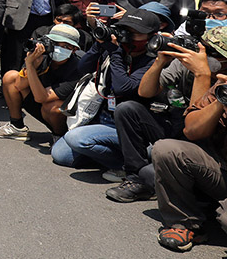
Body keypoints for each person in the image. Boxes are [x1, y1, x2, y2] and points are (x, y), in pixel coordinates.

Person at [51, 9, 161, 176]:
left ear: (152, 37)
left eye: (135, 33)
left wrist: (116, 54)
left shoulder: (153, 60)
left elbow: (123, 88)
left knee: (76, 138)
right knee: (61, 155)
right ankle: (113, 156)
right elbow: (83, 68)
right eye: (125, 30)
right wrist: (100, 44)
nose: (127, 36)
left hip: (130, 128)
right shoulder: (117, 48)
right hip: (104, 118)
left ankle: (130, 165)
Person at [151, 27, 227, 252]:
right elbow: (192, 130)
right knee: (166, 151)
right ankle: (183, 222)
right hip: (220, 170)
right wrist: (221, 98)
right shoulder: (220, 84)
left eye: (212, 53)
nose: (203, 57)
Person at [0, 24, 83, 139]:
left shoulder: (77, 69)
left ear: (74, 50)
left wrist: (31, 68)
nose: (58, 48)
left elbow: (41, 98)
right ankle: (17, 126)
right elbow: (18, 85)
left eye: (65, 46)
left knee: (53, 107)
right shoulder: (42, 56)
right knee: (10, 77)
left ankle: (59, 136)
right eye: (55, 43)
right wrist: (31, 63)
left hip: (61, 116)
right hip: (40, 104)